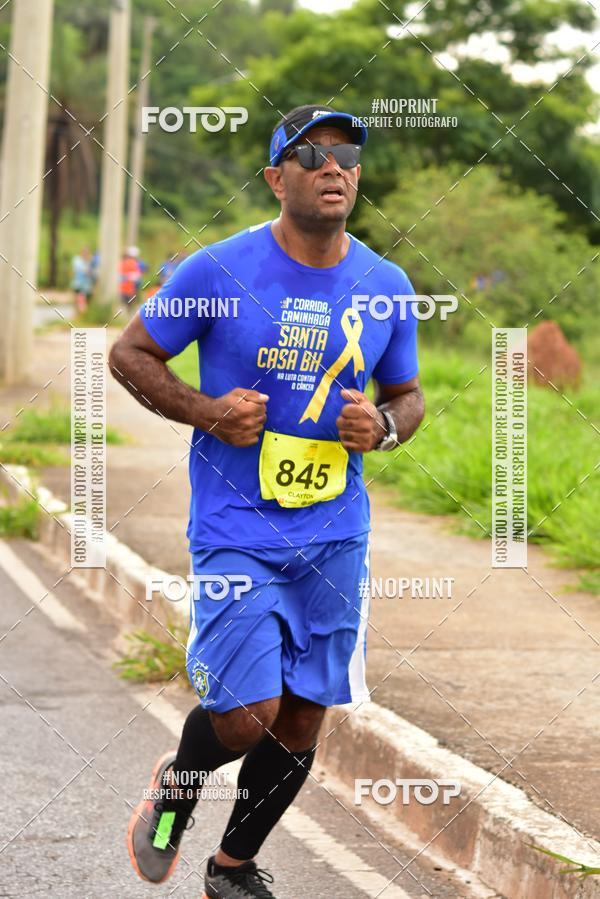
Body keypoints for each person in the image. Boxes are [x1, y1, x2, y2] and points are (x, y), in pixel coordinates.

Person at [109, 104, 425, 899]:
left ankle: (233, 866)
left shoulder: (385, 286)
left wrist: (382, 425)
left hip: (335, 535)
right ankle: (178, 787)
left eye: (346, 152)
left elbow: (411, 394)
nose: (333, 165)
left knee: (305, 715)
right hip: (237, 530)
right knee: (248, 710)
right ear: (275, 176)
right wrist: (206, 410)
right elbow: (130, 353)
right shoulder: (217, 269)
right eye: (310, 152)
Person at [119, 246, 143, 314]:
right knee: (129, 302)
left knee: (126, 303)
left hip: (125, 287)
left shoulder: (123, 263)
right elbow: (137, 276)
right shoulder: (134, 263)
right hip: (129, 287)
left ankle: (128, 313)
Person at [70, 247, 93, 313]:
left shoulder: (89, 262)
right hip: (78, 284)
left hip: (86, 286)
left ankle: (82, 315)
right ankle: (78, 314)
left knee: (84, 301)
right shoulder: (77, 261)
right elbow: (76, 271)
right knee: (78, 301)